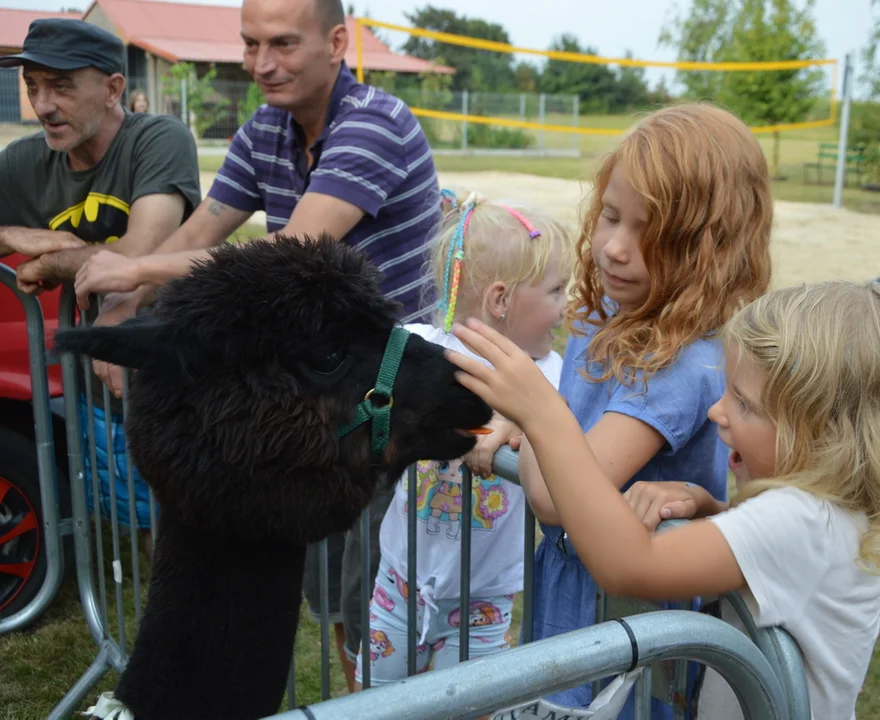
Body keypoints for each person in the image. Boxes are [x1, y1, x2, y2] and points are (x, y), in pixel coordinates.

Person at [69, 0, 443, 691]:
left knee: (379, 595)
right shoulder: (266, 127)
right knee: (331, 588)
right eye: (249, 44)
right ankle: (351, 694)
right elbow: (203, 229)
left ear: (337, 42)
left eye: (281, 43)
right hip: (329, 408)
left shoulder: (375, 125)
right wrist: (130, 311)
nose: (260, 64)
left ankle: (378, 698)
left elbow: (292, 248)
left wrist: (138, 270)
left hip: (397, 402)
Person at [446, 279, 880, 720]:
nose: (718, 413)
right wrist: (714, 507)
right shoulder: (832, 511)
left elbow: (627, 565)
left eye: (745, 404)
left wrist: (545, 415)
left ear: (827, 435)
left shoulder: (798, 519)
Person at [486, 102, 773, 718]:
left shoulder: (685, 363)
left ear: (709, 248)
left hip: (634, 621)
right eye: (611, 216)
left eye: (649, 233)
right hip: (570, 591)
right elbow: (569, 435)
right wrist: (538, 417)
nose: (614, 248)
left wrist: (534, 406)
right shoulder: (608, 316)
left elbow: (557, 495)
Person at [0, 18, 202, 555]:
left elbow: (138, 255)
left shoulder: (159, 138)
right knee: (141, 526)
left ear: (113, 88)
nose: (42, 105)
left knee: (195, 526)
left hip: (182, 382)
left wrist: (49, 259)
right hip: (101, 387)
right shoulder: (23, 162)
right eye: (33, 86)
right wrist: (12, 233)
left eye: (61, 86)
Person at [360, 191, 574, 688]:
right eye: (557, 291)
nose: (567, 306)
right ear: (501, 299)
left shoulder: (553, 378)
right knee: (378, 700)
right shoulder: (422, 351)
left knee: (467, 703)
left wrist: (515, 424)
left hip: (484, 600)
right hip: (399, 581)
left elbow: (563, 428)